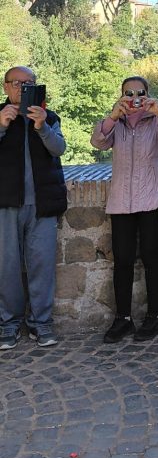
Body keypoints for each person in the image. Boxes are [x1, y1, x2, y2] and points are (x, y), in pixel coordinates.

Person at [91, 76, 158, 343]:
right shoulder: (116, 123)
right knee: (122, 260)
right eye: (128, 93)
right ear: (121, 95)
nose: (134, 98)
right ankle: (123, 318)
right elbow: (98, 142)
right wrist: (112, 116)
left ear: (147, 94)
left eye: (140, 93)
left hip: (152, 198)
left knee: (152, 257)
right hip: (122, 200)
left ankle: (154, 316)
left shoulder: (156, 120)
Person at [0, 66, 67, 350]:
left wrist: (42, 127)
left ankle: (41, 323)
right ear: (6, 87)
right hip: (5, 204)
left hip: (43, 204)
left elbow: (59, 149)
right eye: (17, 83)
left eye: (29, 83)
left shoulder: (48, 117)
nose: (22, 88)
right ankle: (8, 324)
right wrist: (1, 126)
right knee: (6, 268)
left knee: (42, 266)